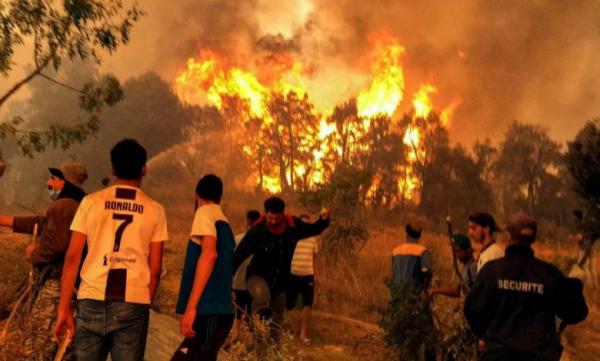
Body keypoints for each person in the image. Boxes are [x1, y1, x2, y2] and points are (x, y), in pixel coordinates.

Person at [53, 139, 168, 361]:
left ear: (112, 168)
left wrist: (64, 308)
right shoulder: (156, 210)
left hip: (91, 298)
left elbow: (72, 257)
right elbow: (155, 269)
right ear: (144, 168)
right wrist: (144, 303)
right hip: (133, 302)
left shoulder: (90, 202)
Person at [464, 212, 588, 361]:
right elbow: (576, 312)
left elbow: (472, 310)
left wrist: (486, 336)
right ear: (534, 238)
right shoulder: (548, 275)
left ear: (509, 235)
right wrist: (575, 284)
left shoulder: (491, 271)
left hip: (497, 356)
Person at [0, 160, 87, 360]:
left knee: (39, 342)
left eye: (54, 179)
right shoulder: (77, 205)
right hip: (72, 286)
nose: (49, 182)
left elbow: (56, 245)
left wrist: (34, 253)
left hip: (57, 285)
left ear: (66, 182)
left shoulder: (62, 206)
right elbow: (42, 224)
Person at [233, 197, 330, 342]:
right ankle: (254, 335)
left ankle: (274, 346)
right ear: (265, 214)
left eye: (276, 218)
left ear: (282, 215)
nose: (273, 221)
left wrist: (323, 220)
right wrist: (227, 278)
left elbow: (312, 229)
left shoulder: (293, 226)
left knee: (277, 316)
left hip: (280, 280)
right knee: (261, 301)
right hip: (256, 277)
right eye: (270, 218)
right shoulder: (257, 230)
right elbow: (239, 255)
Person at [171, 174, 235, 361]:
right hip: (218, 312)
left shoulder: (204, 212)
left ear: (196, 194)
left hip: (209, 311)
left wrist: (191, 308)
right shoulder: (223, 221)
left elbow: (209, 254)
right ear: (220, 197)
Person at [390, 223, 435, 361]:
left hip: (397, 298)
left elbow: (392, 275)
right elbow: (427, 272)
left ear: (406, 234)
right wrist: (424, 291)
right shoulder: (422, 251)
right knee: (429, 334)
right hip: (415, 299)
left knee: (403, 334)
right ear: (419, 236)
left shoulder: (395, 251)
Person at [286, 214, 320, 346]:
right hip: (292, 274)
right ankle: (288, 330)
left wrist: (317, 276)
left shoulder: (313, 239)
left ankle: (302, 334)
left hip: (308, 275)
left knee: (308, 304)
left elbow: (315, 260)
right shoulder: (292, 237)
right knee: (289, 304)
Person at [230, 210, 261, 343]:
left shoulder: (237, 238)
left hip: (238, 282)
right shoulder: (263, 240)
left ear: (247, 222)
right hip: (254, 284)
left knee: (238, 311)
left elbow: (231, 261)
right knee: (252, 313)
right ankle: (249, 343)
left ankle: (234, 337)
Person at [428, 234, 477, 298]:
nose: (457, 255)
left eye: (458, 251)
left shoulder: (473, 267)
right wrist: (436, 291)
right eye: (455, 252)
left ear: (468, 250)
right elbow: (457, 292)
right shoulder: (466, 267)